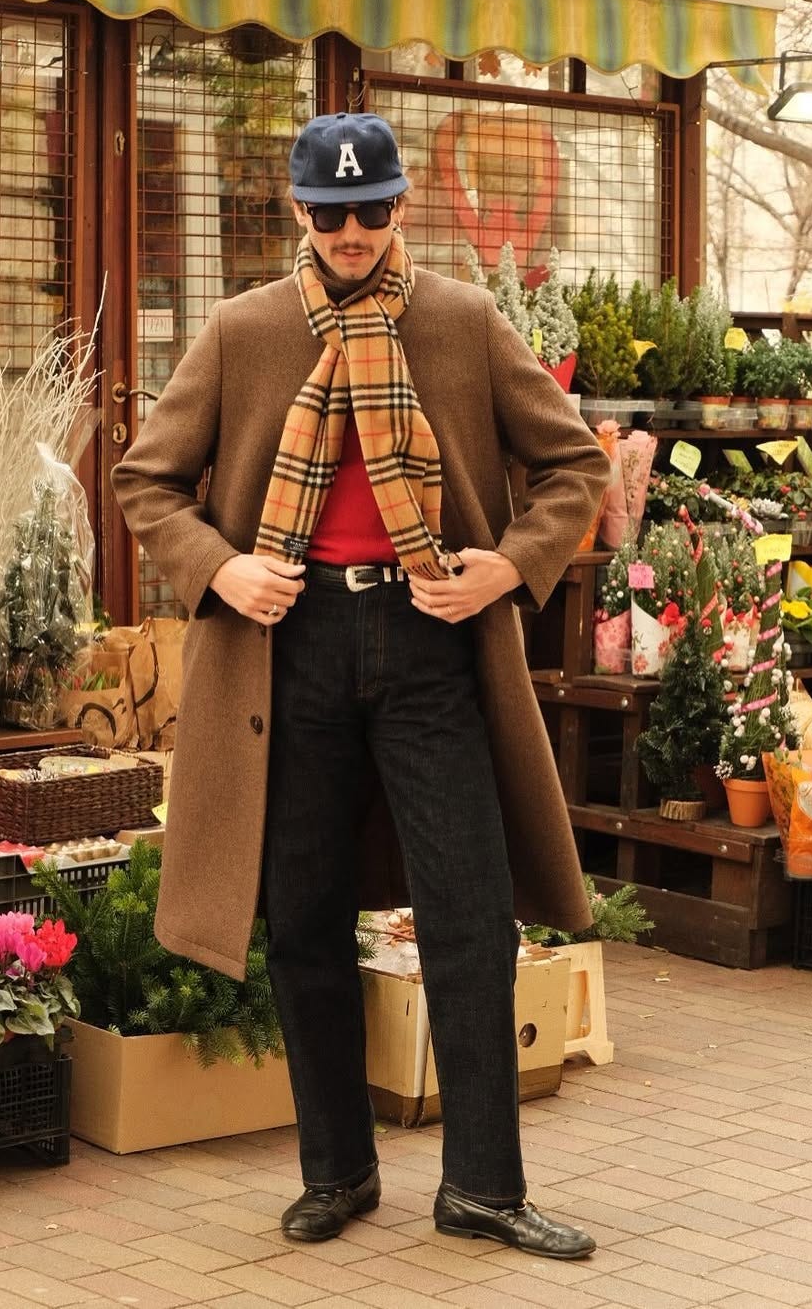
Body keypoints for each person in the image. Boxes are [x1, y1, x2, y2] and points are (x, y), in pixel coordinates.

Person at [112, 112, 610, 1259]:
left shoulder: (460, 319)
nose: (352, 231)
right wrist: (224, 568)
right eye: (331, 213)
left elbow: (574, 462)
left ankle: (483, 1188)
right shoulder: (242, 331)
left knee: (472, 915)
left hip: (432, 641)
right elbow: (149, 481)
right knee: (302, 916)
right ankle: (335, 1173)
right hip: (287, 653)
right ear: (298, 212)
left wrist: (508, 565)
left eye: (373, 208)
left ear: (401, 209)